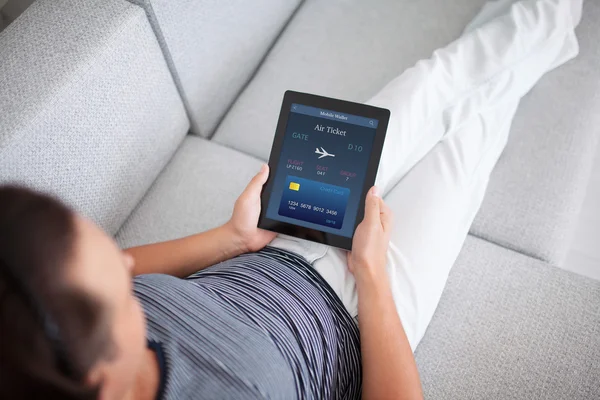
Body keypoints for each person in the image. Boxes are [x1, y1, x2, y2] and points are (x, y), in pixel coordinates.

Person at [0, 0, 581, 398]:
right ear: (102, 382)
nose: (128, 268)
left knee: (436, 81)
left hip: (276, 239)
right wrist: (373, 278)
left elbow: (126, 268)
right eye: (123, 295)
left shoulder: (37, 311)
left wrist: (233, 239)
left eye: (112, 253)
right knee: (474, 129)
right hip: (369, 312)